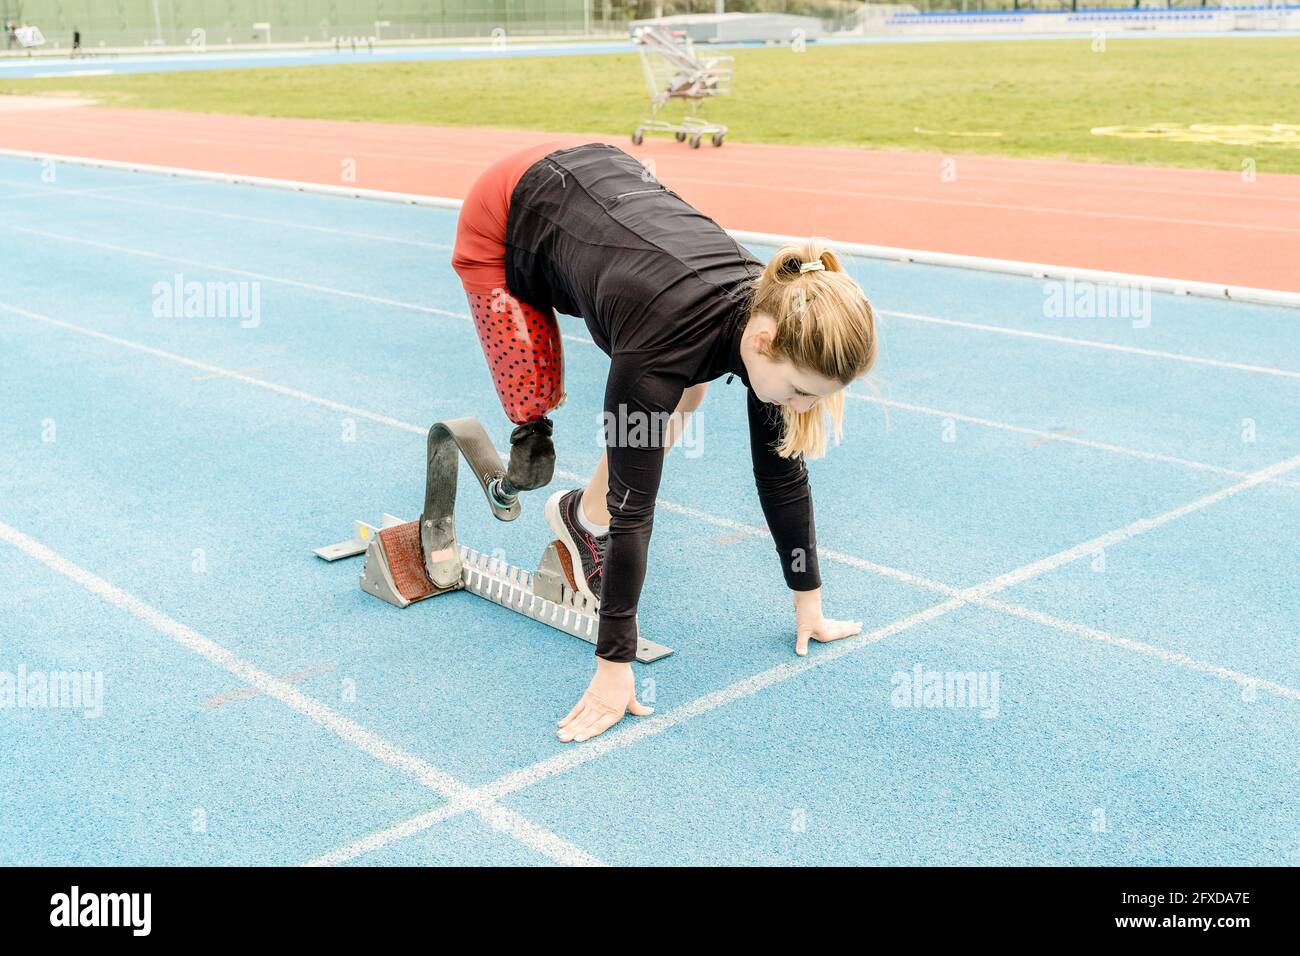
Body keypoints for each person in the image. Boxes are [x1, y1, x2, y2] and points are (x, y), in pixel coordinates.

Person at [451, 141, 876, 744]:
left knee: (688, 392)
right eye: (803, 391)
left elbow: (781, 474)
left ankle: (577, 516)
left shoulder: (779, 307)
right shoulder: (657, 352)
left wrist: (809, 603)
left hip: (602, 189)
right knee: (536, 398)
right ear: (762, 343)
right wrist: (612, 667)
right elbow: (636, 513)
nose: (804, 407)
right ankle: (556, 489)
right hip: (503, 217)